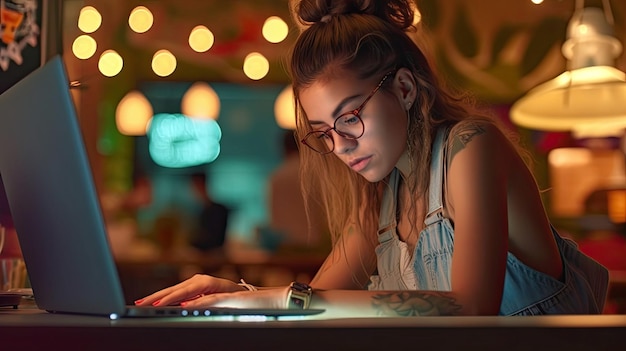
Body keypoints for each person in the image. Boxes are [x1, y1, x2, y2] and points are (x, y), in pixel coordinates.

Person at [135, 0, 609, 317]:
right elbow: (314, 301)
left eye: (350, 118)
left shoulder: (471, 147)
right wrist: (244, 296)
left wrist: (280, 298)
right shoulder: (382, 196)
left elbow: (470, 308)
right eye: (323, 132)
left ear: (403, 88)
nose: (339, 146)